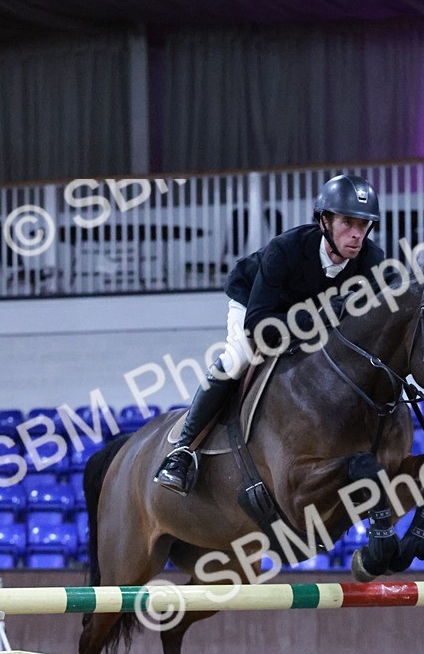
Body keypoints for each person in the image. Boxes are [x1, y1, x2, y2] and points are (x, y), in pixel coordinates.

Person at [154, 173, 384, 493]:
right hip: (254, 304)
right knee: (237, 358)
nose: (357, 234)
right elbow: (258, 322)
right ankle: (181, 451)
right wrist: (321, 316)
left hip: (305, 321)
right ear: (324, 222)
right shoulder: (285, 249)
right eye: (348, 222)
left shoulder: (373, 263)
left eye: (364, 225)